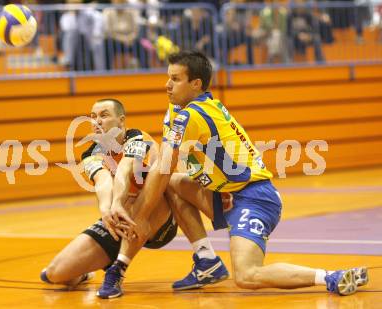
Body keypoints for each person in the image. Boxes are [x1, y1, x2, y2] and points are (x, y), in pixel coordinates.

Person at [114, 50, 369, 296]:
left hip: (255, 198)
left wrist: (140, 218)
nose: (167, 84)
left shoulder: (193, 114)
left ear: (196, 84)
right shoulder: (179, 109)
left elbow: (163, 167)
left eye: (175, 79)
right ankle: (206, 261)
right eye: (168, 77)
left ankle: (331, 277)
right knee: (172, 184)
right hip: (227, 193)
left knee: (247, 275)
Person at [40, 98, 227, 299]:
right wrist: (106, 209)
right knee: (54, 273)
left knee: (169, 181)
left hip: (159, 217)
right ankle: (88, 271)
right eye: (93, 117)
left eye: (104, 115)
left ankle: (118, 268)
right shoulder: (91, 154)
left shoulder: (137, 139)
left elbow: (125, 168)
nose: (96, 122)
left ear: (121, 121)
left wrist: (118, 202)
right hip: (121, 220)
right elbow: (103, 181)